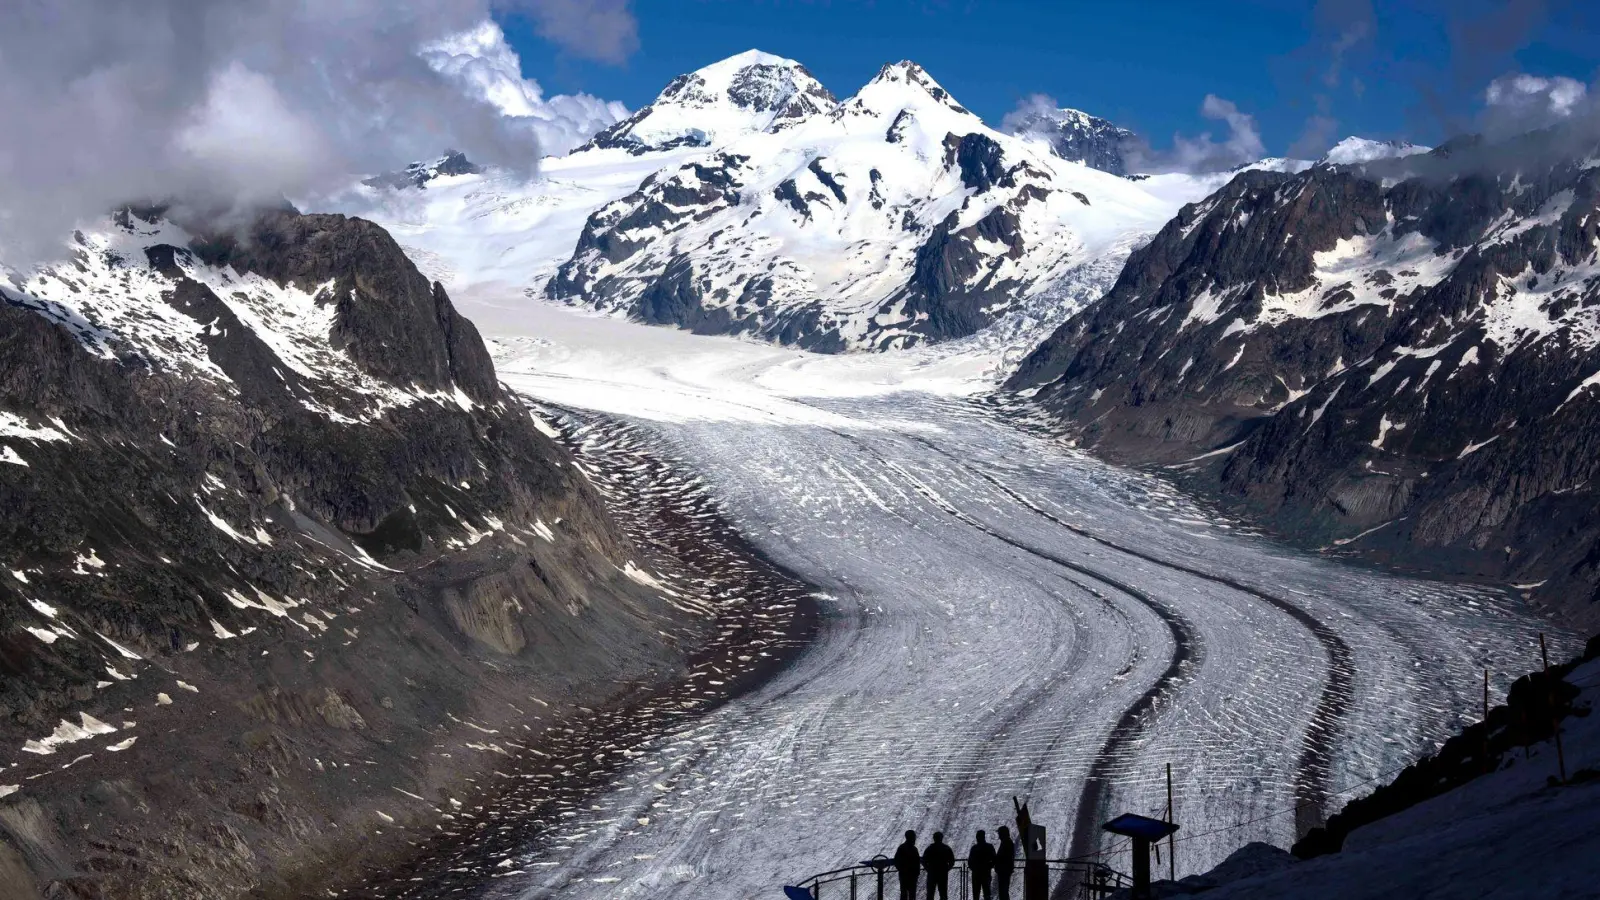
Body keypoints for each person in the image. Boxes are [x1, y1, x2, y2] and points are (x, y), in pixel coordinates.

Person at [922, 831, 956, 900]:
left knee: (930, 894)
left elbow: (923, 861)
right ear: (941, 838)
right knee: (943, 894)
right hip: (943, 874)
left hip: (932, 873)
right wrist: (947, 869)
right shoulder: (946, 848)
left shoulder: (930, 848)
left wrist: (928, 869)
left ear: (934, 838)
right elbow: (952, 861)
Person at [968, 829, 997, 900]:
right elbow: (994, 859)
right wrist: (989, 866)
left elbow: (970, 862)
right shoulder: (989, 847)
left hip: (976, 874)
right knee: (987, 893)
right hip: (986, 873)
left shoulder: (974, 848)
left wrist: (975, 868)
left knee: (976, 894)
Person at [894, 830, 921, 900]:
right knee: (912, 895)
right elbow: (917, 862)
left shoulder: (901, 848)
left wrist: (902, 870)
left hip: (903, 875)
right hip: (912, 876)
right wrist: (917, 873)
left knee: (903, 894)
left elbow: (896, 861)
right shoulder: (914, 849)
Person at [994, 825, 1016, 900]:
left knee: (1003, 892)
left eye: (999, 833)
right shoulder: (1007, 842)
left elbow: (1003, 857)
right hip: (1004, 871)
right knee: (1004, 891)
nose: (999, 835)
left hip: (1004, 871)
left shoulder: (1006, 843)